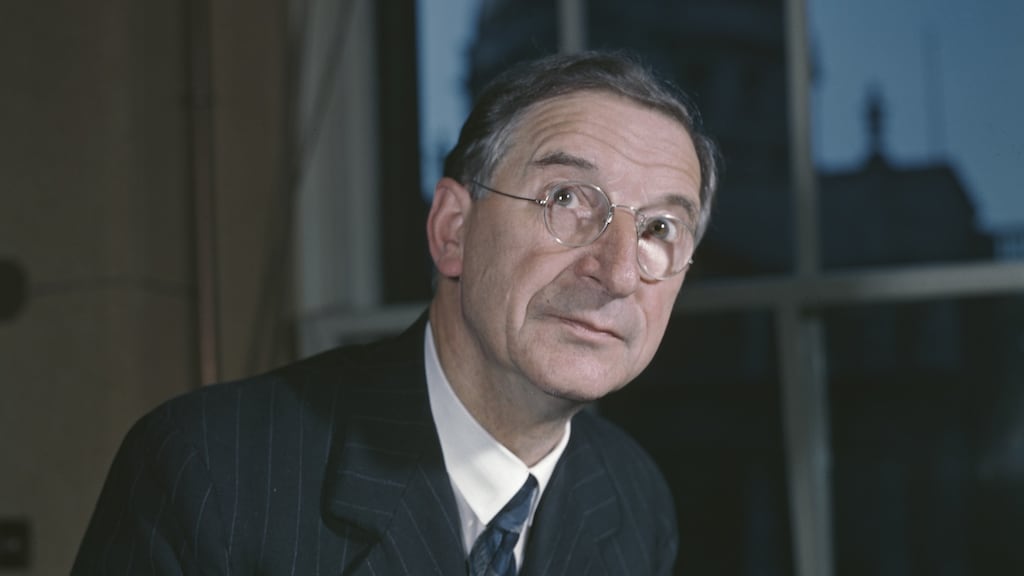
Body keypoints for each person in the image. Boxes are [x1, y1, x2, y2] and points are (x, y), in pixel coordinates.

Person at [73, 49, 719, 575]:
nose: (617, 270)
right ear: (452, 232)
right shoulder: (209, 471)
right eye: (567, 197)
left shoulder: (634, 498)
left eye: (661, 228)